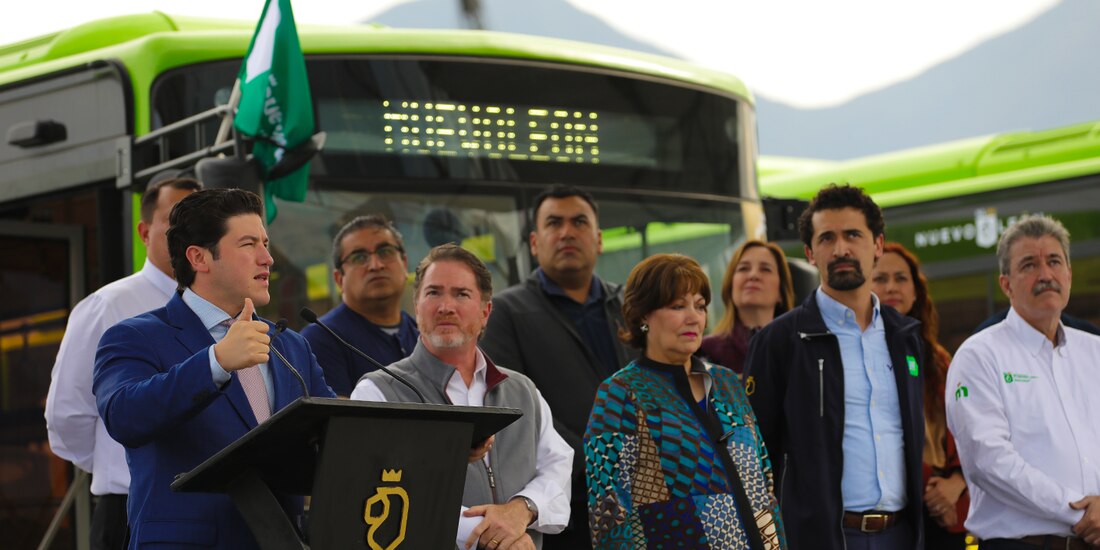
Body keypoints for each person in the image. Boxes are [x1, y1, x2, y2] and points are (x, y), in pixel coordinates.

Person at [93, 188, 335, 549]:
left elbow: (334, 437)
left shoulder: (291, 345)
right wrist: (217, 362)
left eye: (265, 243)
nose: (267, 258)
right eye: (249, 244)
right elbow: (124, 415)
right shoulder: (133, 336)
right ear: (200, 258)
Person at [351, 243, 573, 550]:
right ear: (416, 305)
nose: (445, 306)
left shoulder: (523, 390)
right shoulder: (377, 392)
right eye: (433, 293)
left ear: (486, 311)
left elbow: (558, 468)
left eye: (461, 294)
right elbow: (380, 489)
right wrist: (491, 534)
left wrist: (521, 510)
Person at [745, 183, 926, 550]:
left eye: (853, 235)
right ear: (811, 253)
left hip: (902, 534)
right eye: (827, 238)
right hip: (821, 538)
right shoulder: (780, 340)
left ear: (877, 245)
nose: (841, 248)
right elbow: (753, 457)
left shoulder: (905, 336)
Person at [585, 253, 786, 549]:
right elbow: (610, 513)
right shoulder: (621, 393)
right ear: (643, 316)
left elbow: (764, 484)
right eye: (678, 306)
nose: (694, 317)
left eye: (700, 306)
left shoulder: (728, 383)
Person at [44, 175, 201, 550]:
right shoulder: (109, 305)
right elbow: (66, 415)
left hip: (210, 511)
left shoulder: (223, 308)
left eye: (200, 223)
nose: (190, 233)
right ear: (145, 232)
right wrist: (121, 465)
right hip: (132, 509)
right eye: (176, 221)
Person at [481, 184, 635, 549]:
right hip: (563, 507)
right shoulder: (506, 312)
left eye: (579, 222)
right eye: (554, 223)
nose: (567, 232)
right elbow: (513, 405)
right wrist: (596, 459)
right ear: (535, 243)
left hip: (638, 497)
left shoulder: (628, 306)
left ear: (598, 240)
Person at [945, 215, 1100, 549]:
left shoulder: (1095, 352)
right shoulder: (979, 356)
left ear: (1069, 275)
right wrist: (1080, 512)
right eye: (1029, 265)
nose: (1045, 274)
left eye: (1054, 262)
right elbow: (988, 460)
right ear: (1006, 284)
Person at [872, 242, 969, 549]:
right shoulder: (854, 356)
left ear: (916, 291)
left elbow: (973, 433)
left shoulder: (941, 361)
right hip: (885, 510)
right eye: (880, 278)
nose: (891, 287)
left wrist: (957, 483)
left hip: (942, 507)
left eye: (901, 278)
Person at [302, 215, 418, 396]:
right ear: (339, 279)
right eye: (359, 257)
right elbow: (341, 419)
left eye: (385, 252)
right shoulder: (321, 338)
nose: (375, 265)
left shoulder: (421, 335)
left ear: (404, 263)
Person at [700, 239, 795, 373]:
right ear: (731, 286)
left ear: (781, 291)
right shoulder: (705, 350)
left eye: (765, 269)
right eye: (743, 268)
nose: (753, 275)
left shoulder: (800, 349)